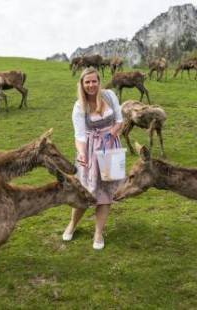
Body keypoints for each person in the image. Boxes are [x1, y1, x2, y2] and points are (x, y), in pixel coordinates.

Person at [62, 67, 123, 250]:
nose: (91, 85)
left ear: (99, 81)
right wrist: (81, 154)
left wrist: (111, 134)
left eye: (94, 81)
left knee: (106, 194)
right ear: (82, 84)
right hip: (89, 151)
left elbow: (120, 121)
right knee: (85, 192)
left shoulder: (110, 96)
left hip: (111, 148)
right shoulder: (79, 106)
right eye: (87, 82)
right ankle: (72, 224)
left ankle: (98, 232)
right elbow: (79, 136)